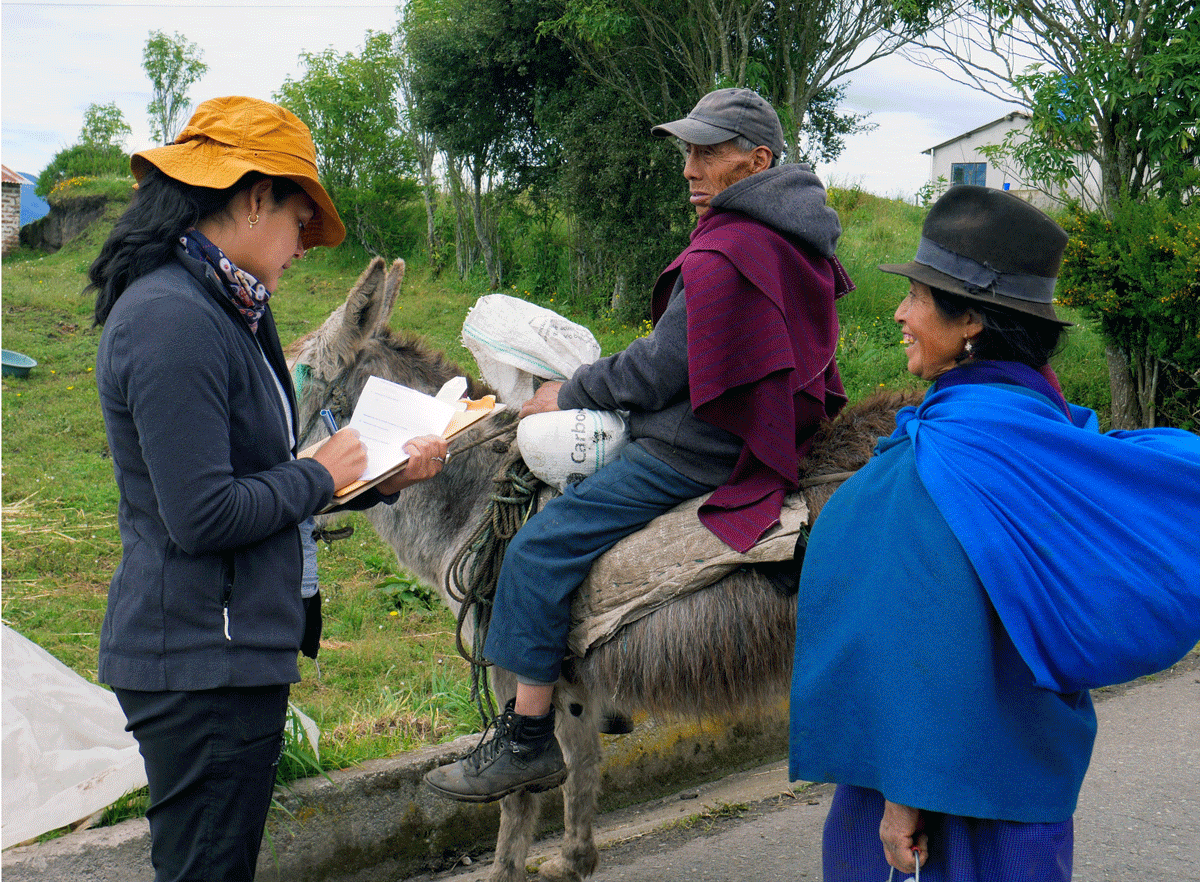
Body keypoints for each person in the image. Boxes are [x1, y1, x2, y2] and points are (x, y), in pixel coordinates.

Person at [425, 87, 854, 802]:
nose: (690, 168)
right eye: (687, 150)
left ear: (758, 159)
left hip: (698, 446)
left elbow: (662, 366)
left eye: (708, 152)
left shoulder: (731, 246)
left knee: (540, 547)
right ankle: (609, 690)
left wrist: (571, 390)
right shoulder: (795, 230)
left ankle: (527, 735)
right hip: (758, 421)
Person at [787, 185, 1200, 880]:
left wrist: (904, 797)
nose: (899, 313)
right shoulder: (1050, 440)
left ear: (971, 317)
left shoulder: (944, 460)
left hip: (928, 801)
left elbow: (925, 641)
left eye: (917, 296)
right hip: (1028, 801)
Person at [87, 96, 448, 882]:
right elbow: (202, 513)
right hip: (197, 660)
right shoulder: (171, 319)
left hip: (230, 649)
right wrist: (320, 470)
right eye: (299, 221)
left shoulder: (228, 308)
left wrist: (378, 476)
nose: (303, 248)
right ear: (253, 200)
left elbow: (260, 478)